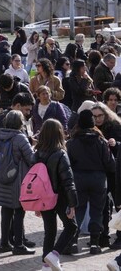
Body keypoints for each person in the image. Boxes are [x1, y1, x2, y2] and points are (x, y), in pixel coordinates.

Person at [67, 110, 115, 255]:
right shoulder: (101, 141)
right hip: (98, 179)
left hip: (79, 178)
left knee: (78, 210)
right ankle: (95, 243)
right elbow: (110, 164)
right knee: (97, 211)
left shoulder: (72, 142)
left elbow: (68, 163)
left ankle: (73, 241)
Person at [36, 119, 78, 271]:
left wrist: (37, 203)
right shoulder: (61, 154)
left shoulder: (37, 153)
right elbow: (68, 180)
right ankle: (54, 255)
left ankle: (46, 265)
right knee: (71, 227)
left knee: (50, 231)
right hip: (60, 197)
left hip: (44, 197)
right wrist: (73, 203)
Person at [0, 110, 36, 255]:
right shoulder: (19, 138)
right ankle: (18, 245)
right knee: (19, 212)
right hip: (17, 180)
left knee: (6, 212)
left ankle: (4, 243)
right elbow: (31, 159)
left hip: (2, 180)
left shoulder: (1, 135)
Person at [91, 102, 121, 249]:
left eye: (100, 115)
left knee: (119, 205)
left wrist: (116, 143)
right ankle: (103, 236)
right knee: (101, 206)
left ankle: (120, 237)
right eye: (94, 116)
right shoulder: (90, 129)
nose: (97, 119)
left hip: (116, 172)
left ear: (105, 114)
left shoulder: (115, 126)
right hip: (100, 172)